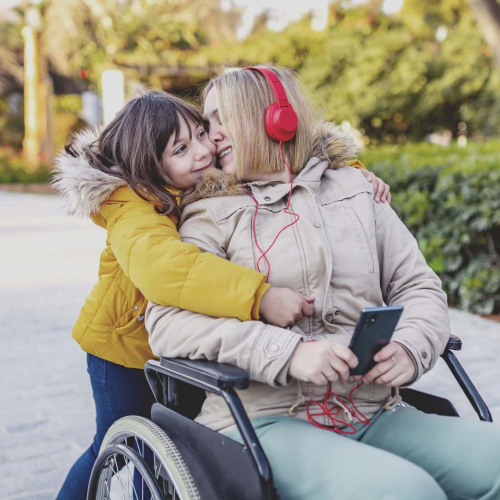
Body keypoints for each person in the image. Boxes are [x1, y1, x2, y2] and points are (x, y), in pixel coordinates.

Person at [146, 67, 500, 500]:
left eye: (222, 120)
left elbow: (419, 287)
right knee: (408, 492)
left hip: (372, 408)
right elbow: (166, 322)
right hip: (264, 419)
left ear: (277, 119)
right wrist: (288, 352)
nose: (210, 137)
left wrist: (411, 345)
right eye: (206, 124)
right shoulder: (210, 212)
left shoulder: (357, 191)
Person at [53, 90, 389, 499]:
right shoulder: (130, 206)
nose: (202, 151)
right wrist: (259, 296)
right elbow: (165, 268)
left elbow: (285, 150)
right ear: (148, 165)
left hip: (183, 346)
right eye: (181, 148)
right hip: (124, 347)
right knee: (117, 440)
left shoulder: (203, 179)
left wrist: (350, 168)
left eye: (200, 134)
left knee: (173, 446)